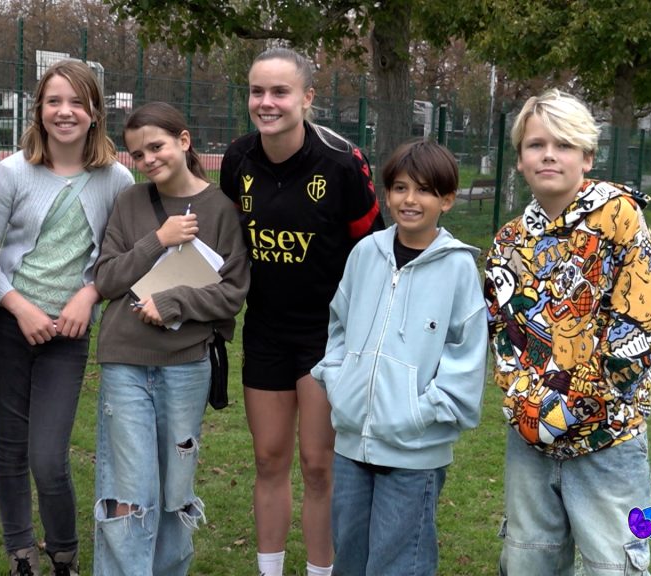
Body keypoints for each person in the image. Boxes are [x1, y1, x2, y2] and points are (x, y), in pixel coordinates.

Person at [485, 89, 651, 575]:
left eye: (563, 145)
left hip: (607, 438)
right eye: (535, 144)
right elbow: (504, 341)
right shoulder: (507, 243)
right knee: (528, 561)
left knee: (614, 564)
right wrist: (530, 410)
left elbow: (640, 322)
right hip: (530, 441)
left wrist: (574, 407)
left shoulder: (620, 219)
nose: (549, 154)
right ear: (520, 160)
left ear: (587, 157)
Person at [220, 47, 384, 576]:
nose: (267, 103)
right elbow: (225, 245)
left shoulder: (341, 162)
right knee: (269, 459)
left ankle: (321, 570)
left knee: (317, 465)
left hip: (327, 336)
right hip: (265, 330)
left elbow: (374, 252)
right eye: (257, 91)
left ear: (307, 98)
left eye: (280, 91)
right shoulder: (237, 158)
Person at [0, 59, 134, 576]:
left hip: (67, 333)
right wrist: (17, 305)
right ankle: (21, 552)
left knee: (48, 455)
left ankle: (63, 551)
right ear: (39, 110)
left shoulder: (116, 179)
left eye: (77, 102)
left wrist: (88, 295)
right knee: (10, 446)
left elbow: (119, 260)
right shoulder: (11, 172)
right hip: (7, 324)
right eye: (54, 102)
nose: (64, 112)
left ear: (95, 112)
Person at [311, 140, 487, 576]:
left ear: (446, 200)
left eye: (425, 190)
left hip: (414, 451)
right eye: (401, 188)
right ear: (386, 194)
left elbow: (467, 355)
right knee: (349, 556)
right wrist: (339, 381)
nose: (411, 200)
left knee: (397, 562)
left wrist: (419, 413)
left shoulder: (459, 267)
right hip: (352, 443)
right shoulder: (364, 254)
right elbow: (338, 325)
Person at [91, 101, 249, 575]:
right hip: (125, 362)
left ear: (184, 141)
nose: (148, 160)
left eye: (156, 146)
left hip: (185, 366)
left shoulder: (220, 210)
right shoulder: (131, 203)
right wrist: (157, 240)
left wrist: (176, 301)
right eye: (138, 154)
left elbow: (233, 293)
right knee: (129, 490)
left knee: (175, 492)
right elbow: (106, 279)